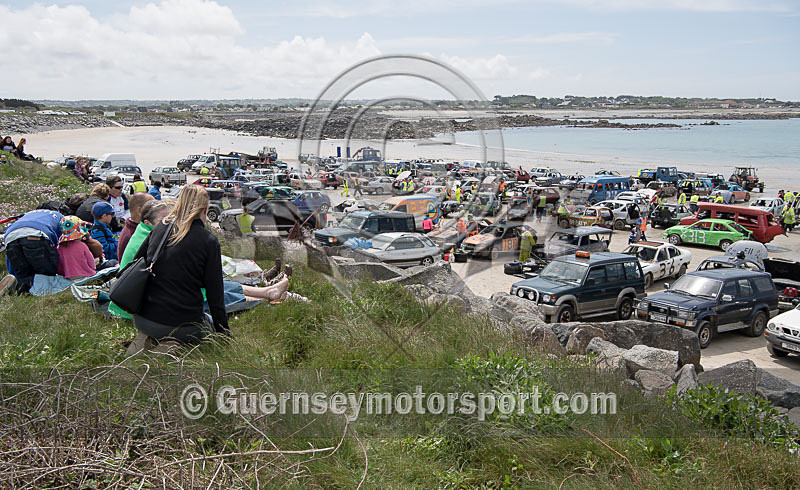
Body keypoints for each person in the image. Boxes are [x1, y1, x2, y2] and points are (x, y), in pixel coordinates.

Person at [131, 185, 234, 342]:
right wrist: (223, 333)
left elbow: (137, 260)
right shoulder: (208, 241)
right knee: (207, 320)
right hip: (180, 325)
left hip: (142, 319)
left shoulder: (161, 227)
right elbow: (215, 295)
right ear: (205, 209)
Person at [1, 209, 62, 294]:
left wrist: (13, 274)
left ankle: (12, 288)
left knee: (23, 276)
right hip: (37, 234)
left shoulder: (29, 214)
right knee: (47, 274)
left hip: (10, 236)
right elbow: (62, 246)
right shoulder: (61, 218)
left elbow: (8, 255)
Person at [56, 216, 96, 280]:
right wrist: (93, 269)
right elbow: (91, 261)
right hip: (86, 274)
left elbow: (60, 265)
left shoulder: (60, 247)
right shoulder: (82, 245)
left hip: (69, 276)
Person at [117, 193, 154, 261]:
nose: (155, 210)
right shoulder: (134, 234)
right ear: (139, 211)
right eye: (151, 207)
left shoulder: (133, 229)